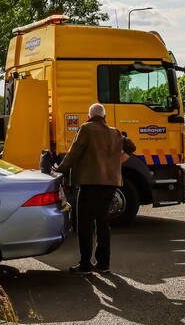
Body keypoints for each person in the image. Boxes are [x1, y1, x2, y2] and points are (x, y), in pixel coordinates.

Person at [54, 103, 135, 274]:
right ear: (105, 117)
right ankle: (103, 264)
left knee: (85, 224)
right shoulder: (115, 132)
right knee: (103, 223)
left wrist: (60, 169)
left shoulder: (86, 128)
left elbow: (74, 152)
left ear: (89, 116)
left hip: (90, 183)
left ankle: (85, 264)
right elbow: (131, 147)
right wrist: (119, 160)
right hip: (111, 185)